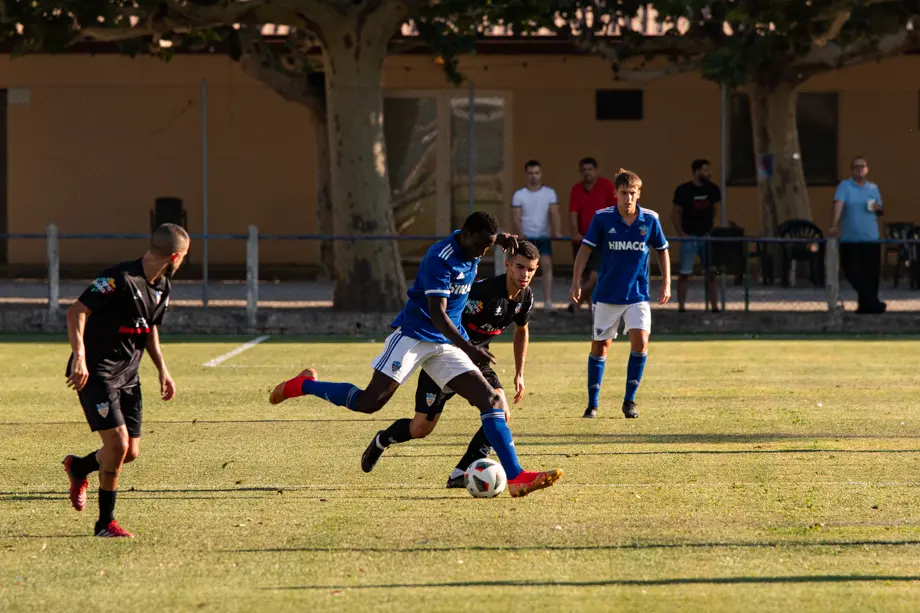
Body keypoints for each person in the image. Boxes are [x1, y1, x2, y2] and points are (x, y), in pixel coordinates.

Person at [269, 213, 562, 498]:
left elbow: (493, 237)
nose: (481, 253)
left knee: (491, 400)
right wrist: (469, 347)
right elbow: (438, 314)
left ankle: (516, 477)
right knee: (370, 402)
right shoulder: (439, 258)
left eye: (488, 247)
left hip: (446, 344)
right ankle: (304, 384)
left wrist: (503, 239)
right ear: (466, 234)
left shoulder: (479, 241)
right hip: (415, 336)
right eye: (479, 247)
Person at [360, 241, 539, 488]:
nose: (525, 274)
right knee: (421, 427)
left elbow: (522, 330)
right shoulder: (481, 293)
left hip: (478, 361)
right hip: (444, 355)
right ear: (508, 265)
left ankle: (461, 472)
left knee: (500, 410)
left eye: (531, 269)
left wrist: (519, 373)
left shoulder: (526, 298)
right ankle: (383, 439)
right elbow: (446, 317)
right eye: (520, 267)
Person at [62, 223, 190, 538]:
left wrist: (163, 368)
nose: (183, 262)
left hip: (129, 376)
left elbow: (148, 328)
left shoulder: (162, 285)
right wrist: (79, 355)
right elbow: (76, 311)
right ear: (174, 255)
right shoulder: (118, 279)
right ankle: (105, 523)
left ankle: (79, 467)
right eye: (184, 257)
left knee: (129, 452)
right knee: (116, 445)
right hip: (97, 372)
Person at [569, 169, 671, 420]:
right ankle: (592, 405)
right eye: (623, 193)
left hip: (637, 295)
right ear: (615, 193)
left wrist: (667, 282)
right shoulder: (602, 218)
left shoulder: (650, 219)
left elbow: (662, 250)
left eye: (632, 193)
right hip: (606, 296)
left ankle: (629, 401)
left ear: (639, 194)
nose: (628, 198)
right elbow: (584, 250)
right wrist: (575, 282)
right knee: (601, 347)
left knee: (641, 342)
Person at [829, 156, 886, 314]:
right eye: (856, 166)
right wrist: (833, 225)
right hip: (851, 238)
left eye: (862, 166)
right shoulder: (845, 186)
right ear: (852, 169)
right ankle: (872, 302)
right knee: (851, 271)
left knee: (871, 275)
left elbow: (880, 209)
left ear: (867, 169)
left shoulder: (873, 188)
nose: (859, 169)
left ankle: (866, 306)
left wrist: (877, 208)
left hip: (871, 237)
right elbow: (838, 204)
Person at [672, 159, 722, 313]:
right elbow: (676, 214)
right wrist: (682, 234)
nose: (709, 173)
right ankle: (681, 306)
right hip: (689, 236)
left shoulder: (713, 190)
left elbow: (715, 210)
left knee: (711, 272)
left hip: (706, 236)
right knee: (685, 273)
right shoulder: (683, 191)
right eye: (705, 170)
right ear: (696, 172)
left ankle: (714, 306)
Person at [568, 157, 617, 313]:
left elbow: (614, 212)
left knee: (596, 276)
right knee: (583, 275)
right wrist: (575, 232)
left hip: (601, 238)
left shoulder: (607, 186)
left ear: (596, 170)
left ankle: (576, 304)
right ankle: (590, 309)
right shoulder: (576, 189)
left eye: (590, 169)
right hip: (582, 239)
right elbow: (573, 212)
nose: (587, 173)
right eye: (584, 170)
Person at [511, 160, 560, 312]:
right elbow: (516, 216)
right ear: (526, 175)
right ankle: (524, 302)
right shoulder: (519, 195)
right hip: (526, 239)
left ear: (541, 174)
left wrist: (556, 231)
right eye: (531, 173)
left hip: (543, 237)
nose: (534, 176)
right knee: (523, 271)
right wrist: (521, 233)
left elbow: (555, 212)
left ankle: (548, 301)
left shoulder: (549, 193)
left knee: (546, 266)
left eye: (537, 173)